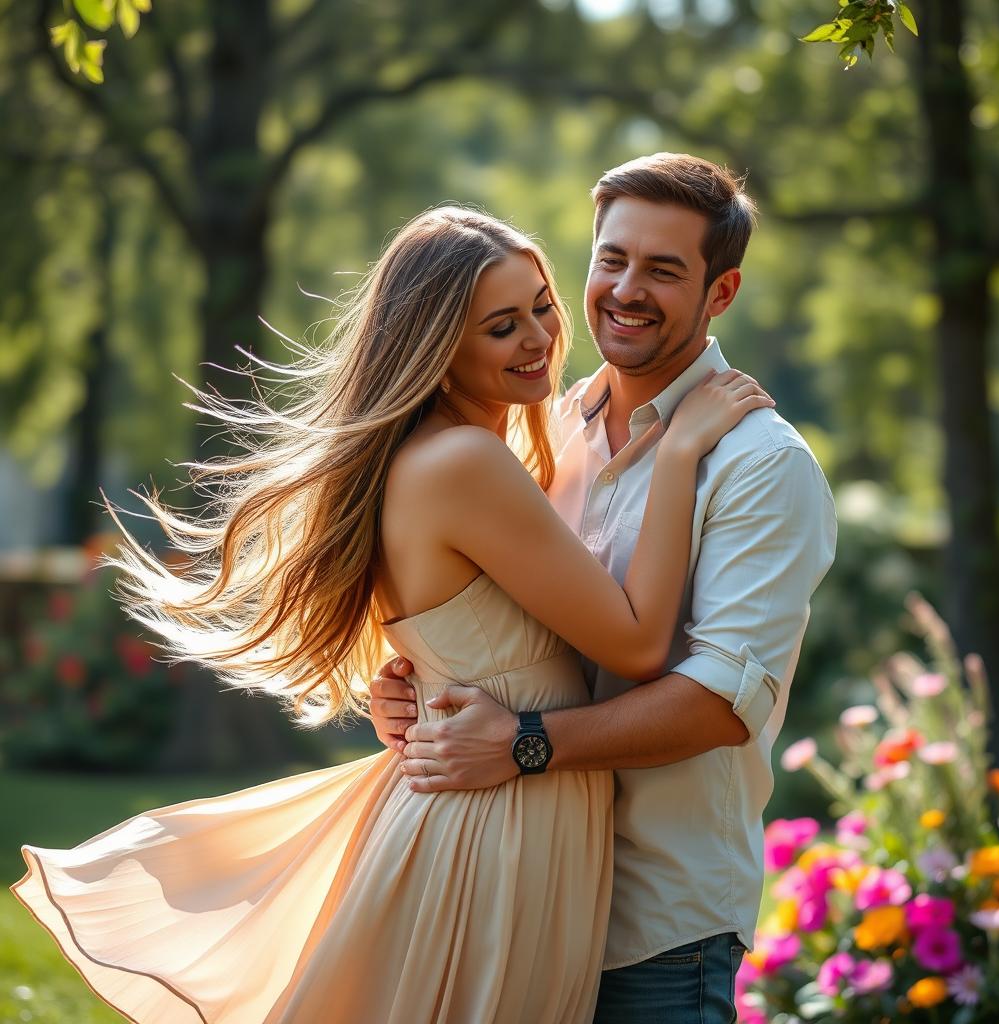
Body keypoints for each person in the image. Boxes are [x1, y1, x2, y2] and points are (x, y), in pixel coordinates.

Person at [11, 205, 772, 1023]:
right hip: (497, 825)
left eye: (543, 306)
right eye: (501, 326)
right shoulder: (466, 461)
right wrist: (683, 451)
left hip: (503, 808)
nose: (540, 339)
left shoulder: (470, 453)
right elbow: (640, 640)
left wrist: (409, 685)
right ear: (439, 346)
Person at [369, 154, 839, 1022]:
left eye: (664, 270)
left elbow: (714, 704)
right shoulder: (538, 430)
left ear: (721, 292)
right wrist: (422, 682)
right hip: (513, 887)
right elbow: (503, 620)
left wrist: (523, 743)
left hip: (651, 926)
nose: (626, 290)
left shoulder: (762, 465)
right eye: (611, 259)